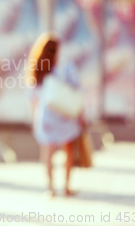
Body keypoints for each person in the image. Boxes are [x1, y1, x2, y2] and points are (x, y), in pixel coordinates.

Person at [26, 32, 84, 197]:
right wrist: (81, 114)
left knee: (48, 152)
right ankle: (66, 186)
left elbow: (32, 96)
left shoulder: (38, 67)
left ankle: (50, 188)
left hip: (46, 115)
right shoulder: (66, 67)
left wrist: (33, 118)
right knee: (68, 151)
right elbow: (77, 91)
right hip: (65, 113)